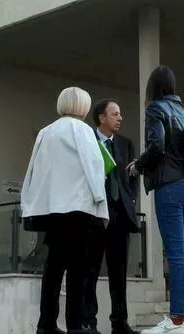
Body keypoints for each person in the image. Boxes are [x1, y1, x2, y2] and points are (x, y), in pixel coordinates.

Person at [22, 87, 109, 334]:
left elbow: (35, 169)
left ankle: (46, 323)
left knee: (53, 266)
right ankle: (75, 325)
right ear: (83, 105)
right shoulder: (83, 131)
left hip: (51, 207)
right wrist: (100, 204)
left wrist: (29, 201)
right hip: (79, 207)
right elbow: (94, 168)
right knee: (78, 267)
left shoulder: (45, 132)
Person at [128, 66, 184, 334]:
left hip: (170, 186)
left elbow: (156, 147)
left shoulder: (155, 109)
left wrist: (138, 165)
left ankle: (177, 320)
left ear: (153, 87)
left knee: (177, 255)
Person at [85, 99, 140, 334]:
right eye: (115, 114)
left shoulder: (126, 144)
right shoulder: (88, 141)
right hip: (96, 215)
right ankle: (89, 322)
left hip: (121, 215)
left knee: (119, 273)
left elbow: (133, 176)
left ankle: (120, 322)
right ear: (101, 118)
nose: (120, 118)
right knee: (91, 270)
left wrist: (131, 199)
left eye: (120, 114)